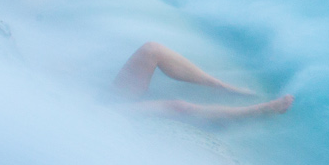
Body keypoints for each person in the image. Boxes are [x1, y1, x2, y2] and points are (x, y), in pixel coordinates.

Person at [112, 42, 293, 123]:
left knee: (152, 50)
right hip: (104, 117)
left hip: (96, 105)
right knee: (177, 107)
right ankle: (255, 112)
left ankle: (221, 86)